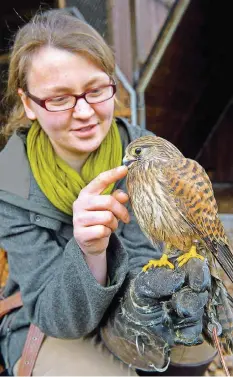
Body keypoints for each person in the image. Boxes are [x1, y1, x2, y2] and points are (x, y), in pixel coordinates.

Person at [0, 9, 217, 376]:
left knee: (193, 354)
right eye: (59, 98)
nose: (84, 112)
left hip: (130, 317)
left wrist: (164, 295)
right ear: (28, 104)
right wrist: (89, 249)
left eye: (96, 90)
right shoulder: (10, 178)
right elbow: (57, 318)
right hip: (48, 322)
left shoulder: (145, 152)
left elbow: (155, 255)